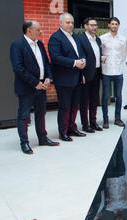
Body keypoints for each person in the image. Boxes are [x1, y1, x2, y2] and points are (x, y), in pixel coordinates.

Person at [10, 21, 60, 154]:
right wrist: (35, 82)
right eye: (38, 29)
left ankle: (43, 138)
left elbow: (46, 63)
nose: (40, 32)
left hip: (42, 86)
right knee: (24, 115)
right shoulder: (17, 45)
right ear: (29, 30)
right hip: (27, 87)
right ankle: (24, 143)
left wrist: (48, 77)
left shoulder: (40, 44)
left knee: (41, 113)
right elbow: (18, 68)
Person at [49, 13, 87, 142]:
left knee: (74, 105)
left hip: (77, 77)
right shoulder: (55, 38)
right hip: (64, 79)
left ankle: (72, 128)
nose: (70, 24)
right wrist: (75, 63)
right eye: (67, 22)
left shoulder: (75, 37)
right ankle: (63, 131)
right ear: (60, 23)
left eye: (72, 22)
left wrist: (83, 61)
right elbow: (55, 57)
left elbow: (80, 53)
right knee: (65, 107)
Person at [100, 17, 127, 129]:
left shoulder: (123, 39)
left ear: (118, 26)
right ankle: (105, 119)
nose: (114, 26)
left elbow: (125, 53)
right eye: (112, 24)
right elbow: (98, 52)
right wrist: (101, 58)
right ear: (109, 25)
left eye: (116, 24)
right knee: (106, 96)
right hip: (106, 71)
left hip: (118, 71)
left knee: (118, 96)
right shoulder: (102, 38)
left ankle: (117, 118)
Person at [78, 17, 103, 133]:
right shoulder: (80, 39)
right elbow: (80, 57)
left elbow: (96, 55)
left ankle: (93, 122)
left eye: (95, 25)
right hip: (86, 74)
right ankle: (85, 124)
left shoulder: (97, 40)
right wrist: (81, 74)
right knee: (84, 100)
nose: (94, 27)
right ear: (86, 26)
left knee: (94, 100)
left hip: (97, 73)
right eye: (92, 25)